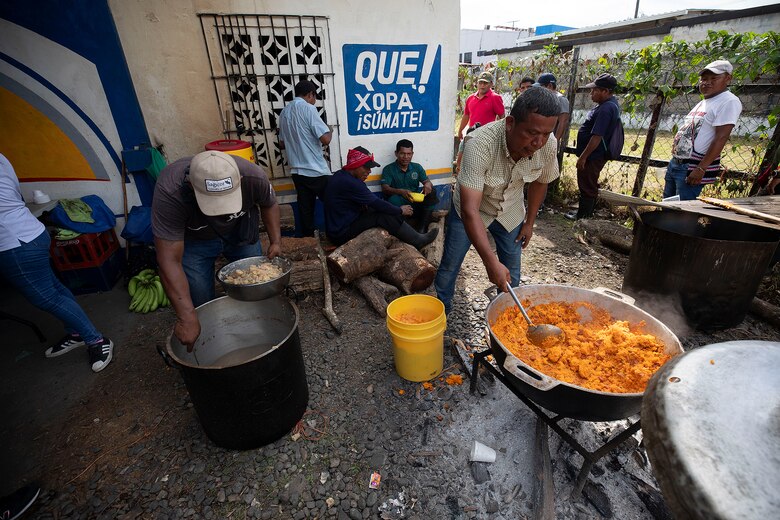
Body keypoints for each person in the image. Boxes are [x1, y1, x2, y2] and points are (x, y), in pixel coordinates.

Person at [434, 88, 561, 315]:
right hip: (470, 212)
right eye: (532, 133)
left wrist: (530, 223)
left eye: (546, 134)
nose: (538, 142)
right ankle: (442, 312)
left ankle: (507, 318)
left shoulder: (548, 144)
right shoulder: (479, 144)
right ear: (510, 123)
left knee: (512, 271)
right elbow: (470, 210)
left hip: (510, 212)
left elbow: (541, 182)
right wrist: (490, 262)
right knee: (450, 265)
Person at [152, 150, 281, 350]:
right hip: (195, 241)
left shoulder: (253, 176)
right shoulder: (170, 191)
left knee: (254, 287)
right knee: (200, 299)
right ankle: (213, 344)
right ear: (191, 186)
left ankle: (259, 331)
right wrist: (186, 317)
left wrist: (276, 242)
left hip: (241, 232)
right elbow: (168, 259)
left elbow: (269, 204)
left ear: (240, 180)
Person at [0, 153, 113, 372]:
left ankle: (96, 340)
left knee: (46, 298)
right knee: (54, 289)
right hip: (29, 232)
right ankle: (76, 332)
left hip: (15, 244)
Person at [323, 147, 438, 249]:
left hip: (343, 225)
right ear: (355, 165)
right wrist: (400, 210)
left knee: (383, 209)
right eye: (366, 167)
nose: (369, 171)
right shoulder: (350, 182)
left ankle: (412, 233)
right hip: (341, 234)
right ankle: (418, 241)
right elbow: (376, 202)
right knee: (384, 215)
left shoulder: (342, 175)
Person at [664, 60, 742, 201]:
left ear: (728, 78)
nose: (707, 83)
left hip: (692, 166)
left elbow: (721, 137)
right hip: (677, 163)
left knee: (682, 207)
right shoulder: (705, 102)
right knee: (667, 204)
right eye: (704, 79)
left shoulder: (729, 101)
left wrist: (701, 168)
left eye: (714, 78)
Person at [278, 80, 333, 237]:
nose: (314, 101)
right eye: (315, 97)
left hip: (297, 171)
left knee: (306, 209)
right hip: (316, 170)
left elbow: (281, 144)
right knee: (333, 202)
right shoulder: (309, 109)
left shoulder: (284, 113)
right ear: (310, 94)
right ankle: (335, 234)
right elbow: (325, 139)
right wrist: (330, 130)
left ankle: (309, 241)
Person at [570, 73, 621, 220]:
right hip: (593, 154)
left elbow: (597, 136)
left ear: (605, 91)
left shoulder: (606, 109)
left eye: (595, 90)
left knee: (587, 185)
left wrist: (583, 157)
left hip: (593, 155)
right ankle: (583, 213)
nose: (591, 93)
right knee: (587, 183)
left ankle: (583, 217)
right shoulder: (606, 105)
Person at [381, 139, 439, 233]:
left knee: (432, 192)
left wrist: (428, 185)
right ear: (396, 153)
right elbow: (385, 188)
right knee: (392, 200)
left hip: (415, 202)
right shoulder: (388, 169)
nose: (406, 157)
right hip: (400, 202)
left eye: (409, 154)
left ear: (412, 154)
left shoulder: (417, 167)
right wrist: (401, 192)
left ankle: (422, 228)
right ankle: (404, 229)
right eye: (402, 153)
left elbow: (427, 181)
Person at [457, 71, 505, 140]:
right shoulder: (470, 98)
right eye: (480, 83)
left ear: (491, 84)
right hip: (472, 135)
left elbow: (502, 117)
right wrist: (460, 130)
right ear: (477, 83)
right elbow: (466, 115)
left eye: (485, 83)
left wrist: (499, 135)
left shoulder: (495, 98)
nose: (482, 85)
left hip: (487, 137)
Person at [537, 73, 570, 147]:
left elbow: (563, 121)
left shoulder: (561, 99)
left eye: (541, 87)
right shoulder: (544, 98)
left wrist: (555, 141)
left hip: (550, 139)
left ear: (549, 86)